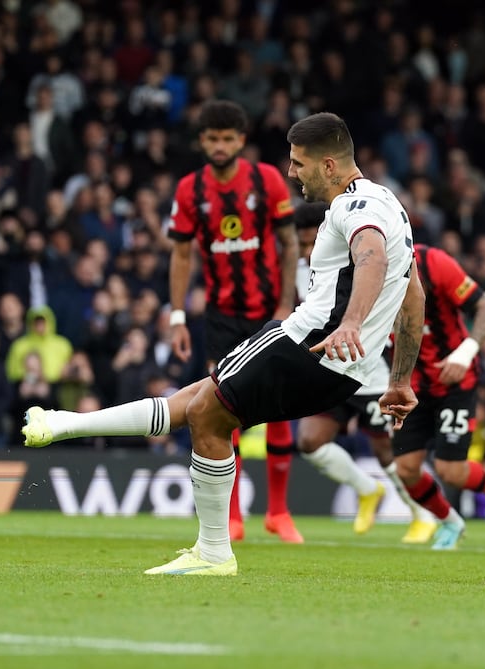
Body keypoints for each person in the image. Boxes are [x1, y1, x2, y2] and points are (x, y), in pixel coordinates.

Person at [22, 112, 425, 575]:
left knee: (203, 413)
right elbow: (414, 294)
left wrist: (351, 322)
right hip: (340, 369)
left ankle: (213, 552)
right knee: (196, 401)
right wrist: (400, 379)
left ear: (329, 166)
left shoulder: (352, 208)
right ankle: (63, 425)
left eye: (298, 163)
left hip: (307, 344)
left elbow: (370, 255)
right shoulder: (389, 203)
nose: (292, 173)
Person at [166, 100, 303, 543]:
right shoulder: (190, 189)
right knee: (223, 411)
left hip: (270, 312)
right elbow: (182, 253)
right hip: (221, 318)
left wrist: (285, 305)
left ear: (241, 141)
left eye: (228, 138)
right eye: (212, 138)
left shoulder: (266, 180)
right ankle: (233, 516)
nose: (220, 146)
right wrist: (177, 315)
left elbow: (288, 244)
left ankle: (278, 512)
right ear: (202, 141)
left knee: (281, 407)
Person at [291, 203, 437, 543]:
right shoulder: (303, 269)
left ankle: (422, 515)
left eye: (313, 242)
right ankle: (367, 489)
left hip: (370, 369)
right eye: (302, 244)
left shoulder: (359, 264)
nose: (308, 251)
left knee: (387, 451)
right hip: (329, 367)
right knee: (310, 441)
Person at [392, 243, 485, 550]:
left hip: (457, 378)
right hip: (412, 384)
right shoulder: (370, 273)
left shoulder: (435, 263)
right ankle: (451, 522)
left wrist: (465, 353)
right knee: (405, 468)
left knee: (450, 470)